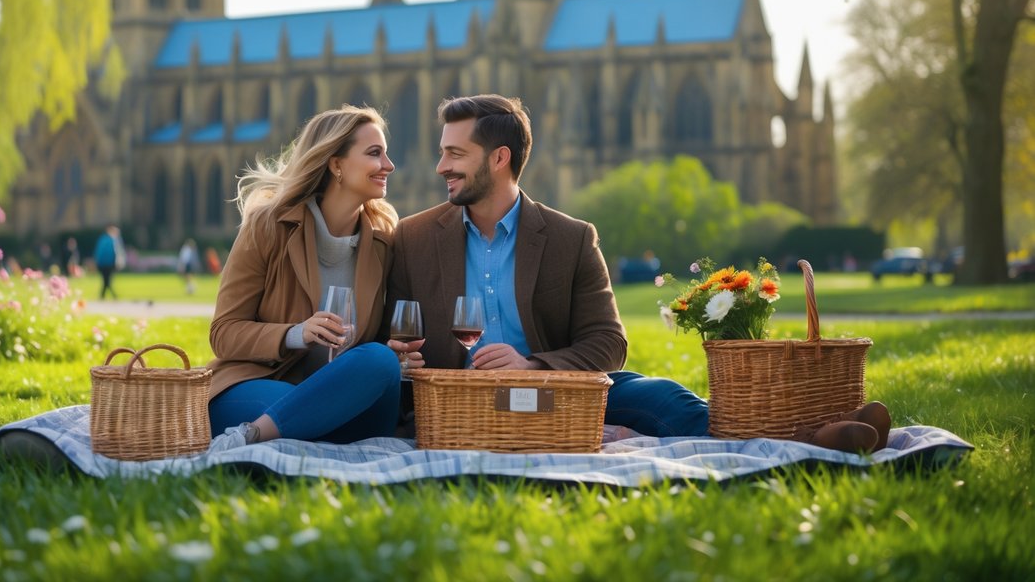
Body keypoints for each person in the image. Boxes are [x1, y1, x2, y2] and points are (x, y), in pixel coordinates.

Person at [385, 94, 889, 452]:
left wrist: (533, 366)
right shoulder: (413, 237)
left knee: (662, 397)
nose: (440, 167)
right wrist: (401, 356)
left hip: (562, 389)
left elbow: (608, 343)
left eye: (454, 153)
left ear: (499, 159)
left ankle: (816, 434)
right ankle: (819, 440)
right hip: (457, 401)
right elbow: (396, 336)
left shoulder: (571, 237)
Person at [205, 106, 416, 446]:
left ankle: (258, 435)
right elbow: (224, 333)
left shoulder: (383, 244)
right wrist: (296, 333)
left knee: (380, 360)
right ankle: (266, 430)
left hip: (342, 399)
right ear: (336, 165)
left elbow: (374, 347)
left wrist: (400, 356)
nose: (388, 165)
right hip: (262, 382)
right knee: (290, 405)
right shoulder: (268, 227)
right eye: (375, 154)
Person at [93, 225, 123, 299]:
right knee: (107, 280)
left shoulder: (103, 239)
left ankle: (103, 296)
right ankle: (112, 295)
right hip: (108, 263)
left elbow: (97, 252)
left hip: (102, 263)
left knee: (106, 280)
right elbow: (115, 253)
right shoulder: (112, 240)